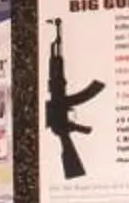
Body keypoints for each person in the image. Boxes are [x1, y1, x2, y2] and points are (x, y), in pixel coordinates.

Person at [44, 19, 105, 180]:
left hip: (61, 120)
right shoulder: (58, 112)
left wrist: (75, 126)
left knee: (66, 139)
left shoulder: (58, 103)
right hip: (61, 122)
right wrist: (76, 127)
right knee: (66, 142)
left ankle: (74, 169)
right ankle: (73, 169)